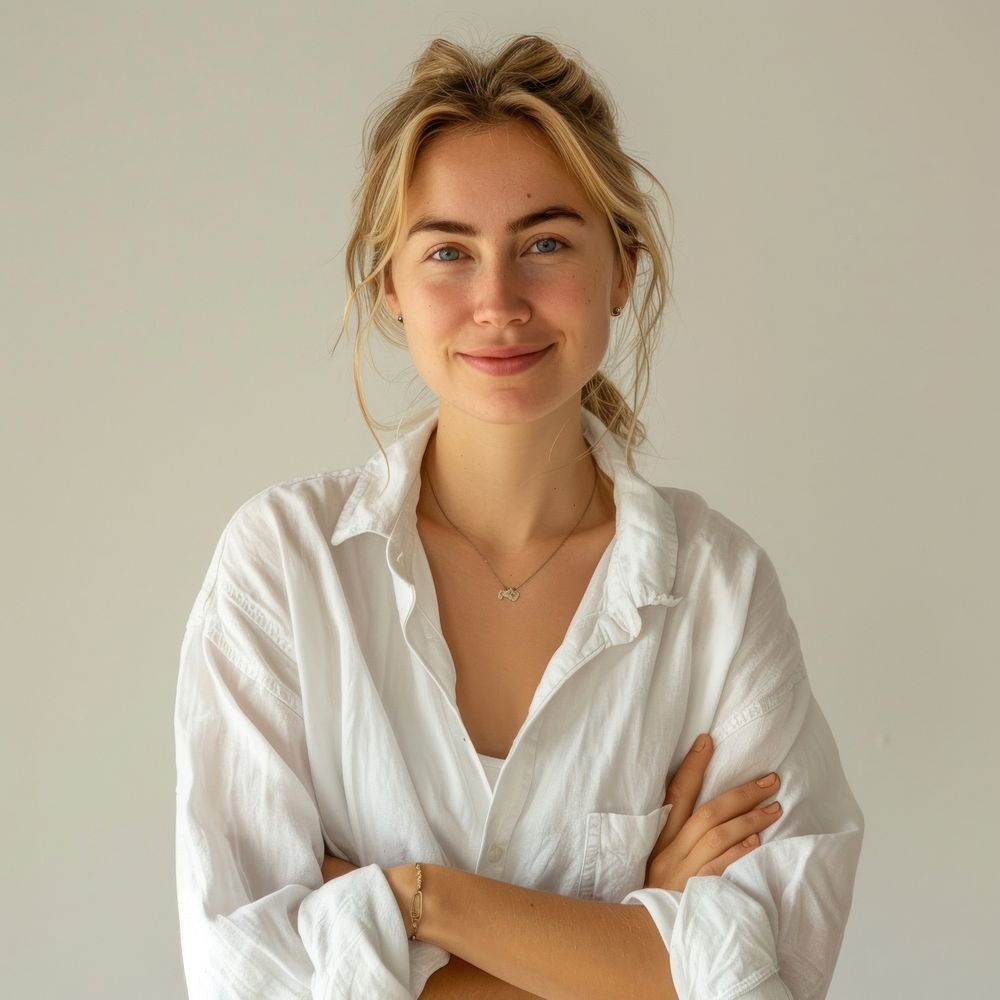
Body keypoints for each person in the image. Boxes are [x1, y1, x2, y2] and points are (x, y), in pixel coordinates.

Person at [174, 33, 864, 1000]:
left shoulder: (719, 590)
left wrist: (417, 903)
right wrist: (632, 946)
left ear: (622, 268)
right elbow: (244, 974)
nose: (497, 301)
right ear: (391, 290)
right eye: (449, 251)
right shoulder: (284, 569)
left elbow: (770, 978)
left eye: (545, 243)